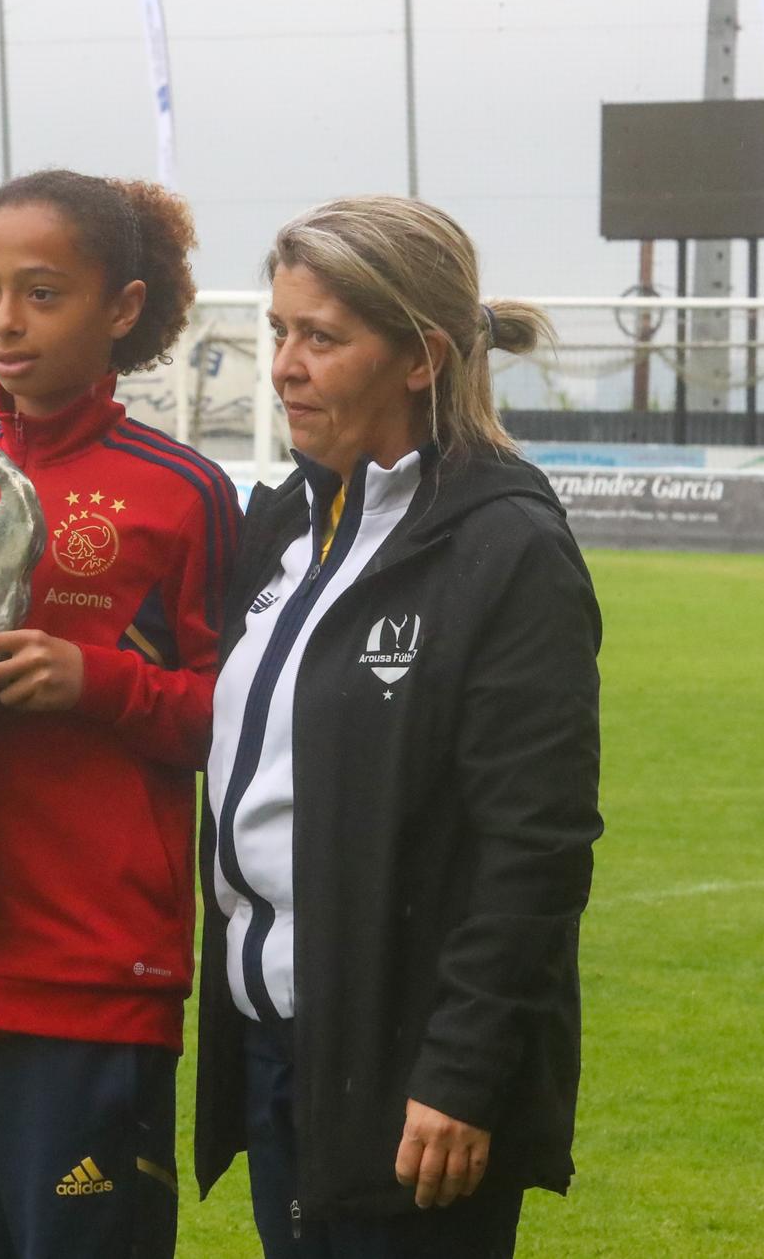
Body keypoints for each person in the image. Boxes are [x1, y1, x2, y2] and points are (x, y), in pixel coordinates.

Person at [194, 196, 603, 1258]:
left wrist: (459, 1075)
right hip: (279, 1050)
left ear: (420, 357)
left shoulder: (504, 548)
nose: (283, 364)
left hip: (410, 1082)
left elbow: (535, 844)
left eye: (320, 337)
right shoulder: (284, 522)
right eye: (278, 331)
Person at [0, 168, 242, 1259]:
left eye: (40, 292)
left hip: (95, 977)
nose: (4, 322)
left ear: (120, 308)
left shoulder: (182, 495)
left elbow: (235, 722)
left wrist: (93, 683)